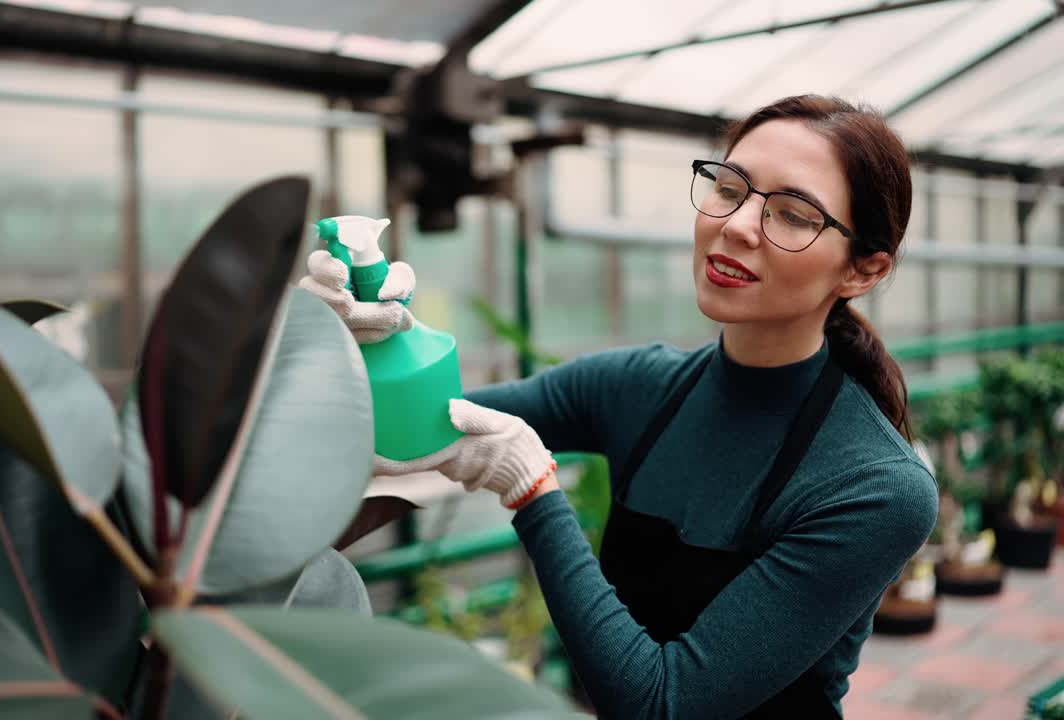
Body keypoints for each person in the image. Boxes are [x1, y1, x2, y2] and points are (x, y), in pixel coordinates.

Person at [301, 94, 939, 719]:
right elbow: (432, 426)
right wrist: (354, 345)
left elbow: (663, 703)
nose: (738, 224)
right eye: (730, 187)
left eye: (794, 215)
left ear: (862, 270)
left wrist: (533, 491)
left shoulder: (877, 487)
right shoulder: (636, 386)